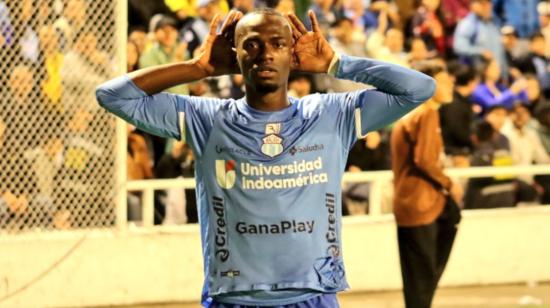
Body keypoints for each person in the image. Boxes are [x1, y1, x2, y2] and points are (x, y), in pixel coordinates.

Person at [96, 9, 435, 307]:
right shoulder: (208, 120)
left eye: (278, 44)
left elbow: (418, 88)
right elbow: (113, 96)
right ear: (237, 55)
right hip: (235, 297)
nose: (266, 54)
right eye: (252, 44)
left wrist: (337, 63)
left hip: (312, 294)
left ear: (293, 53)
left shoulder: (330, 115)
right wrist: (197, 67)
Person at [390, 60, 462, 308]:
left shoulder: (408, 113)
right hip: (422, 206)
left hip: (409, 205)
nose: (451, 84)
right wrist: (450, 183)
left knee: (417, 280)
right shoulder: (427, 112)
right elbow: (426, 160)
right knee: (423, 282)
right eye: (444, 80)